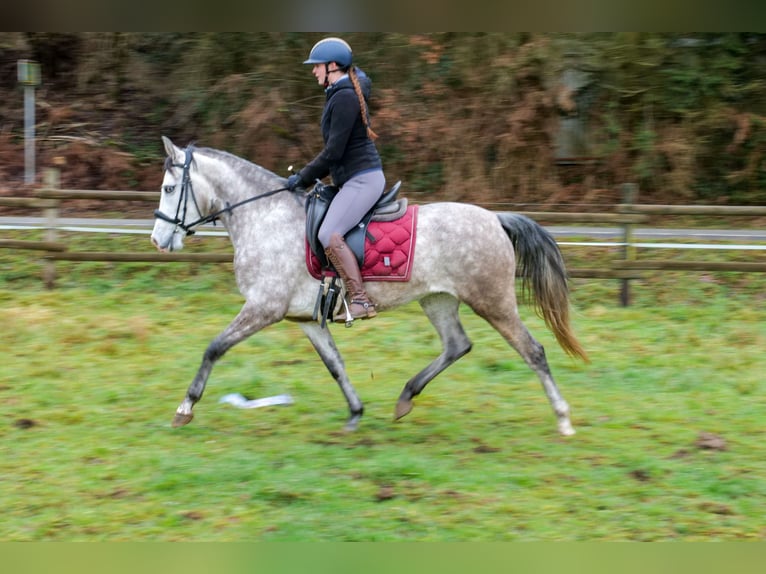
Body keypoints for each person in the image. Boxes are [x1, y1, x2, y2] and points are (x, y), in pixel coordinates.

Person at [287, 37, 385, 321]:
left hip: (363, 179)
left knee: (328, 234)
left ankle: (360, 300)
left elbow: (333, 152)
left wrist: (302, 177)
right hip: (352, 178)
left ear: (332, 66)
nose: (313, 71)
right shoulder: (339, 91)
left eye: (317, 66)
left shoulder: (343, 96)